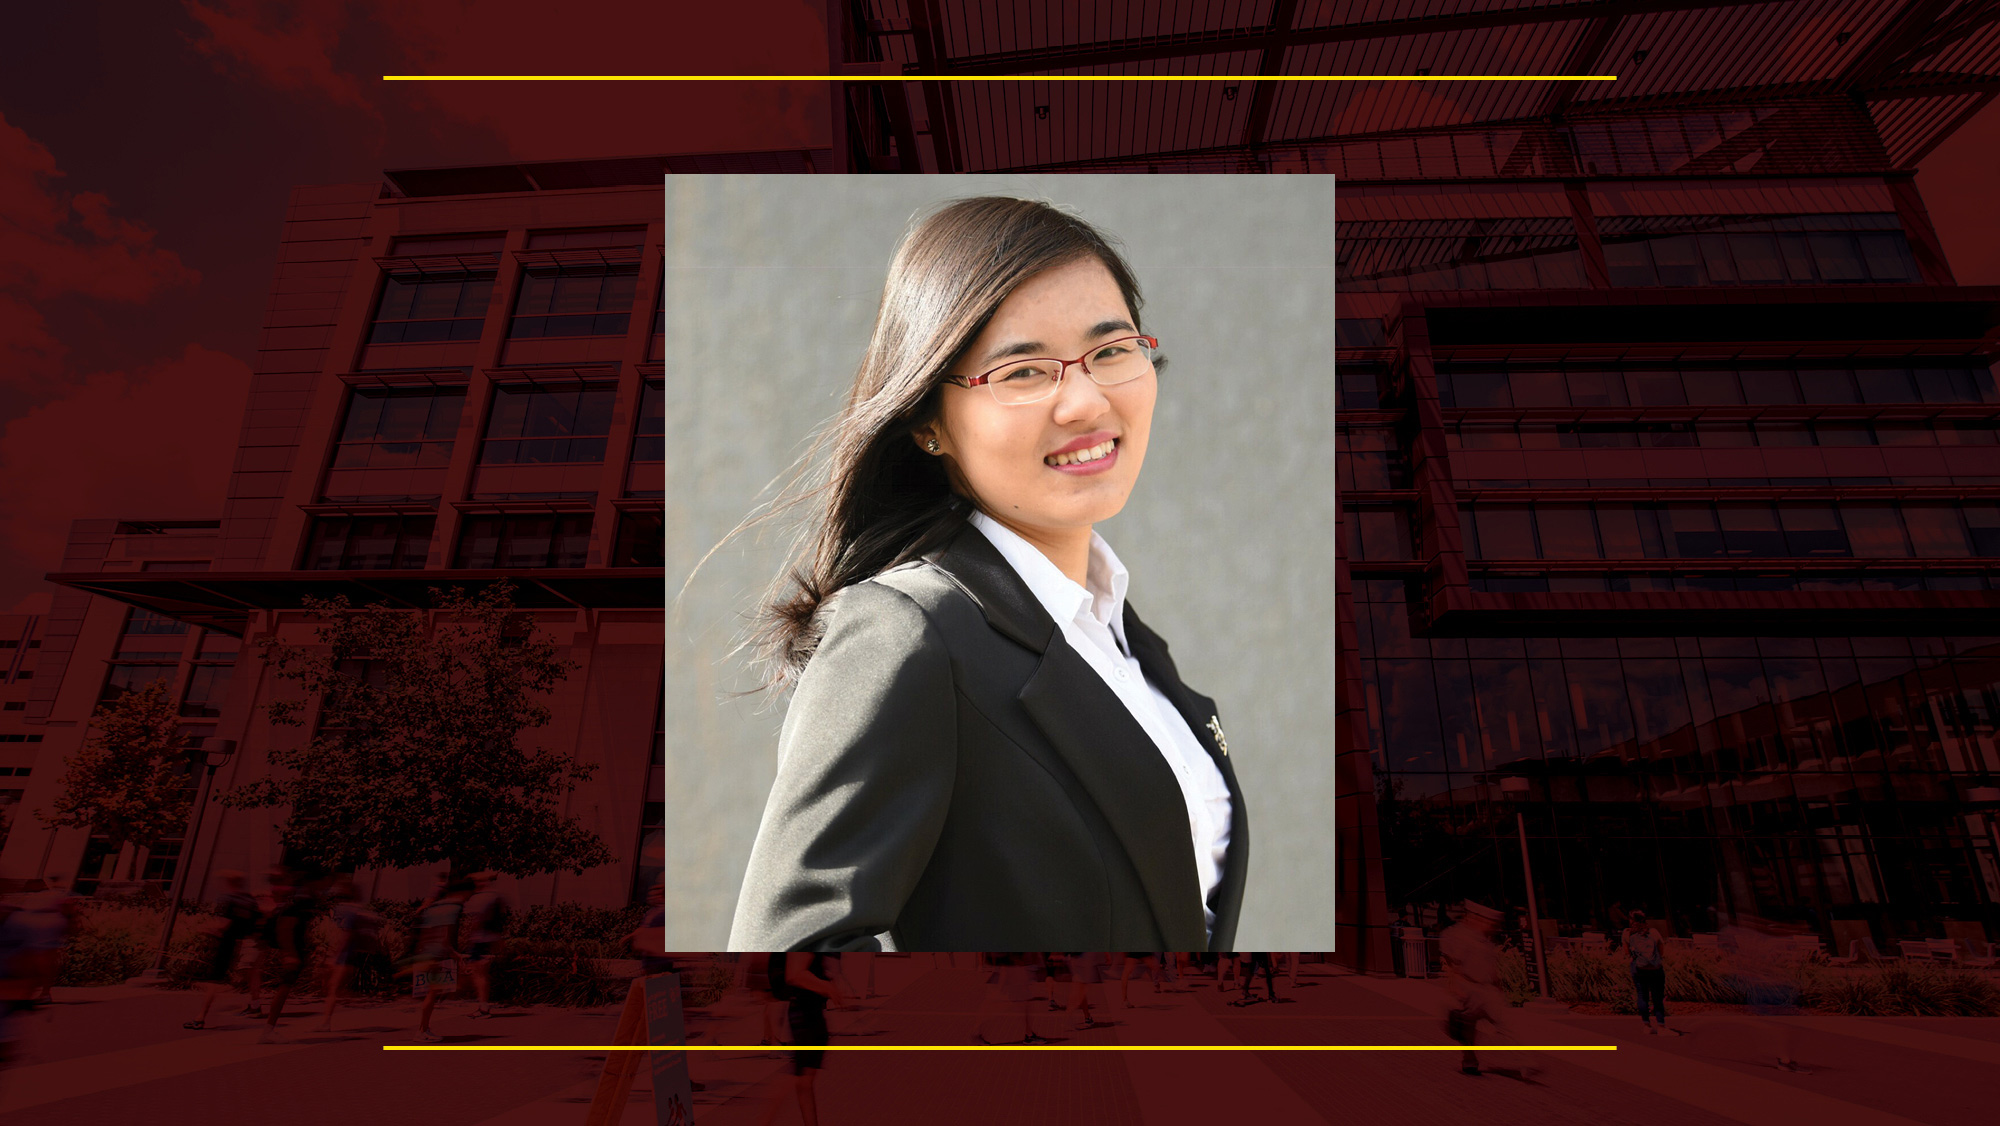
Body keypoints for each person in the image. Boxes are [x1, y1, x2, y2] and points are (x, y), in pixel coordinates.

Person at [727, 197, 1247, 953]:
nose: (1086, 400)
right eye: (1025, 371)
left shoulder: (1125, 642)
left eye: (1110, 352)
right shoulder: (907, 632)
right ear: (928, 420)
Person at [757, 951, 843, 1126]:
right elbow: (795, 975)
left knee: (802, 1079)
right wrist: (827, 988)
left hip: (808, 1011)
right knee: (798, 1077)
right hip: (805, 1013)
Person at [1439, 900, 1520, 1078]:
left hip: (1486, 990)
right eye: (1488, 922)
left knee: (1503, 1025)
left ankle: (1526, 1061)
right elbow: (1451, 966)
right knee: (1467, 1031)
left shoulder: (1484, 939)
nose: (1491, 926)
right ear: (1474, 918)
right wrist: (1454, 989)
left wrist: (1498, 986)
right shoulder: (1456, 936)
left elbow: (1490, 966)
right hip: (1468, 988)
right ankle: (1470, 1060)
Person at [185, 871, 260, 1030]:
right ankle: (255, 1005)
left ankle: (200, 1018)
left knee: (213, 982)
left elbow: (222, 926)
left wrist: (202, 928)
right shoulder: (250, 900)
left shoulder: (227, 900)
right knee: (252, 975)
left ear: (227, 883)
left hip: (227, 945)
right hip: (247, 943)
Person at [400, 878, 471, 1043]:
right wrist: (456, 955)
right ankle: (422, 1030)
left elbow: (427, 934)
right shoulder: (450, 909)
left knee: (432, 993)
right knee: (432, 994)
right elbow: (444, 938)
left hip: (427, 954)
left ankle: (424, 1028)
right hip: (435, 956)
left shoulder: (432, 910)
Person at [258, 870, 320, 1044]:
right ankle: (268, 1030)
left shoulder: (299, 900)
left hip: (292, 949)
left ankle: (268, 1029)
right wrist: (290, 953)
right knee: (284, 988)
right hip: (290, 951)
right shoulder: (296, 903)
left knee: (284, 988)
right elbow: (285, 927)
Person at [313, 877, 382, 1033]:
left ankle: (325, 1022)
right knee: (332, 987)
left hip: (343, 955)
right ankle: (347, 1000)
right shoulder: (357, 909)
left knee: (332, 989)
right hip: (351, 955)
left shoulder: (348, 912)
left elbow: (346, 935)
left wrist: (335, 956)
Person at [459, 871, 511, 1019]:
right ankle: (483, 1005)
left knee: (478, 975)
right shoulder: (495, 896)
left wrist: (470, 938)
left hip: (480, 940)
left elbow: (477, 920)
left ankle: (483, 1007)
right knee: (480, 974)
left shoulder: (480, 898)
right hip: (490, 939)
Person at [1622, 909, 1674, 1036]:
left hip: (1638, 968)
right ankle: (1661, 1025)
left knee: (1642, 996)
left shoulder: (1627, 933)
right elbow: (1661, 949)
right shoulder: (1653, 932)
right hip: (1655, 968)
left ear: (1631, 920)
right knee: (1657, 997)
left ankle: (1647, 1025)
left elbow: (1626, 952)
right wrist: (1655, 960)